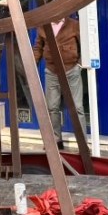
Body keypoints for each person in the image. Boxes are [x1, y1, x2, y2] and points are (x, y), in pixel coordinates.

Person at [32, 14, 82, 147]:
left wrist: (80, 64)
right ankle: (56, 140)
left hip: (71, 70)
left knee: (77, 108)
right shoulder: (43, 26)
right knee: (52, 107)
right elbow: (38, 47)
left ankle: (82, 142)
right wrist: (32, 65)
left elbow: (84, 43)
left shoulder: (73, 24)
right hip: (52, 71)